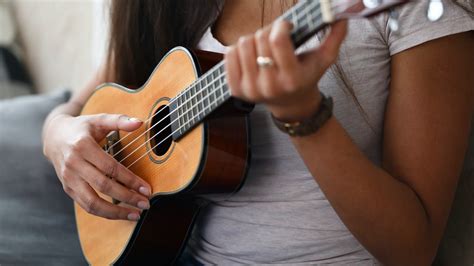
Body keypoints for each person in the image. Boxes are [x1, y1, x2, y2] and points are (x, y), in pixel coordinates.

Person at [42, 0, 474, 264]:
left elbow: (413, 251)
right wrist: (58, 135)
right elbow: (81, 103)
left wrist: (303, 116)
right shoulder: (163, 6)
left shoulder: (418, 11)